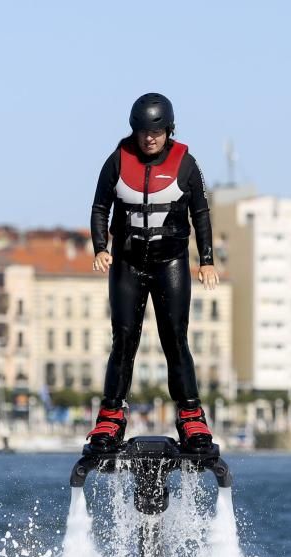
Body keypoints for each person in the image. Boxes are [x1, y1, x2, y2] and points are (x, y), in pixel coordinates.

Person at [87, 92, 219, 453]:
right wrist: (100, 247)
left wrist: (206, 259)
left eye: (156, 132)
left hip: (170, 263)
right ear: (135, 130)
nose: (150, 138)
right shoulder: (116, 161)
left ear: (169, 130)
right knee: (124, 340)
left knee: (175, 340)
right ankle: (110, 417)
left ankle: (191, 417)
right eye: (144, 131)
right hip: (128, 262)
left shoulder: (186, 164)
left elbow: (201, 213)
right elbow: (100, 207)